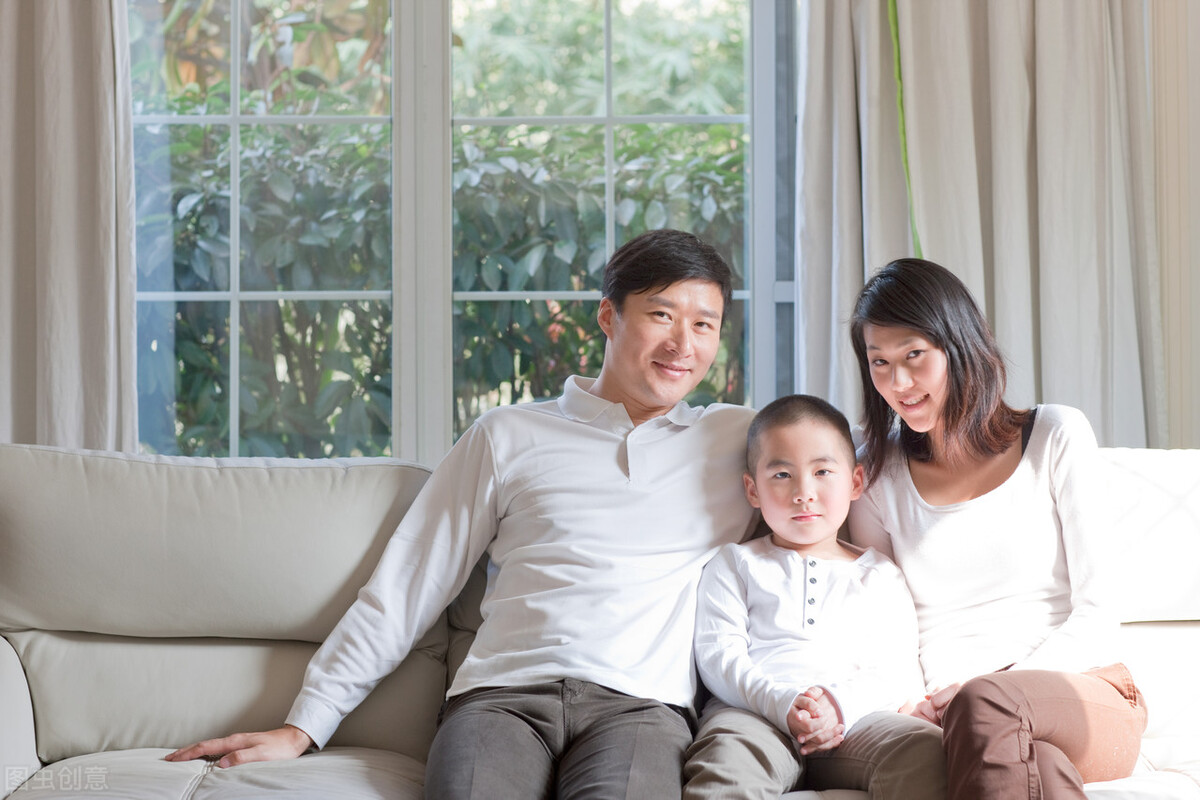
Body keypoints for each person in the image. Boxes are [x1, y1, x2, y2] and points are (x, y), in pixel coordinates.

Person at [165, 229, 759, 799]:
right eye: (661, 315)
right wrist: (304, 725)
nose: (683, 344)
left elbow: (822, 487)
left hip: (642, 709)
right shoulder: (507, 434)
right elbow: (408, 587)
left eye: (703, 324)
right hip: (501, 700)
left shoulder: (737, 439)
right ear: (609, 316)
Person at [847, 257, 1148, 799]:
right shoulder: (876, 475)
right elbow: (884, 622)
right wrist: (914, 703)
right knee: (1037, 767)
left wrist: (991, 689)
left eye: (914, 356)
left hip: (1084, 692)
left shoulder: (1055, 435)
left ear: (958, 345)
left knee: (988, 706)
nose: (898, 383)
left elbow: (1099, 611)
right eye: (880, 363)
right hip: (957, 718)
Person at [683, 394, 945, 800]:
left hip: (854, 720)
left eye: (822, 471)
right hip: (753, 717)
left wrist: (835, 706)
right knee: (726, 768)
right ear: (753, 490)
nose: (803, 492)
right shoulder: (735, 563)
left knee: (926, 749)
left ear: (855, 482)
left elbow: (894, 670)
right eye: (781, 475)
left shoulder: (879, 574)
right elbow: (719, 658)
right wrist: (783, 703)